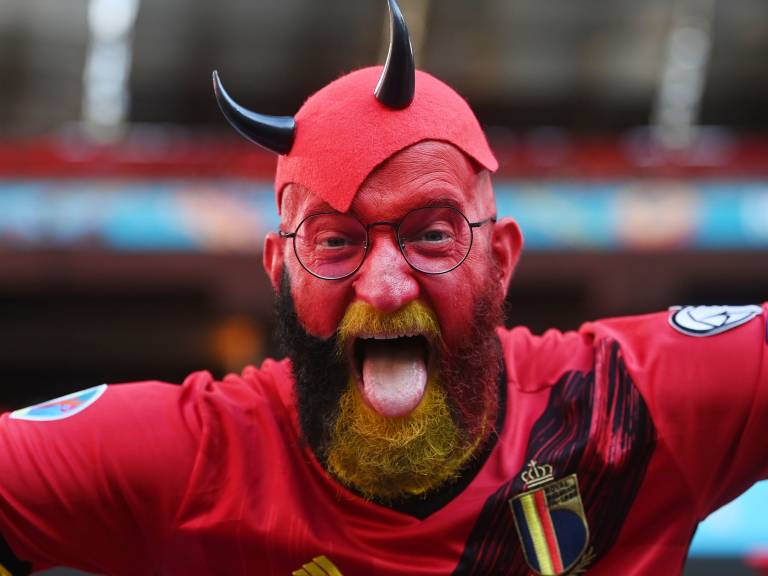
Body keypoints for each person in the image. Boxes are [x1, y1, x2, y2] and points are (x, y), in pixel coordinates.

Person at [0, 1, 766, 574]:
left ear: (501, 258)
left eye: (432, 235)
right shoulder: (196, 463)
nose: (387, 285)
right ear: (279, 269)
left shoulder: (624, 410)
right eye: (335, 242)